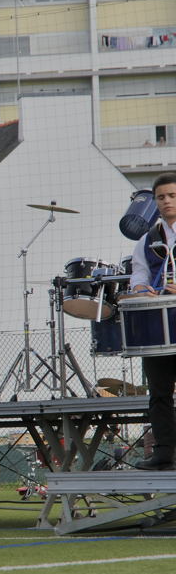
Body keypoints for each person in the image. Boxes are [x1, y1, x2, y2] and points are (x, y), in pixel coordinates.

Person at [129, 173, 176, 470]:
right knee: (158, 392)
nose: (167, 201)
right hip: (160, 327)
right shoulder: (148, 239)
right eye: (161, 197)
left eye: (172, 195)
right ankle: (163, 452)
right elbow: (139, 272)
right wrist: (138, 288)